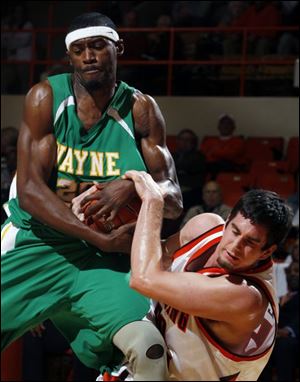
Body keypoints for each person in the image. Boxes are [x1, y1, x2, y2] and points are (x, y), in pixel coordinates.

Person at [1, 11, 183, 380]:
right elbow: (31, 191)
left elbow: (174, 198)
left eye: (98, 46)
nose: (89, 56)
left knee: (148, 348)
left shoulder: (140, 109)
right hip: (38, 243)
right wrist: (98, 235)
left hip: (104, 258)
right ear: (69, 57)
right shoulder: (46, 98)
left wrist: (134, 184)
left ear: (117, 48)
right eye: (80, 49)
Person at [123, 170, 293, 380]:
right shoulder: (205, 227)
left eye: (250, 243)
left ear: (267, 252)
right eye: (235, 231)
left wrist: (152, 200)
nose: (235, 246)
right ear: (228, 219)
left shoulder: (246, 297)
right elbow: (153, 255)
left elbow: (144, 278)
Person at [201, 113, 245, 179]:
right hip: (211, 167)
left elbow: (231, 155)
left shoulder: (239, 141)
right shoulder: (209, 141)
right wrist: (220, 153)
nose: (225, 126)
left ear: (233, 127)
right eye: (223, 123)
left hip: (230, 168)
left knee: (223, 164)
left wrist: (213, 153)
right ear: (218, 126)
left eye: (228, 123)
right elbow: (203, 155)